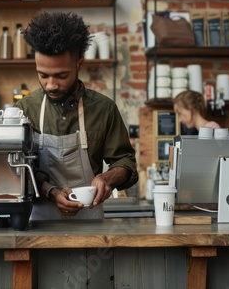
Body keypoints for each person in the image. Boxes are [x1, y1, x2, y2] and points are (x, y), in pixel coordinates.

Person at [15, 11, 138, 220]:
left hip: (90, 223)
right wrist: (50, 191)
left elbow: (125, 161)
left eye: (61, 75)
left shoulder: (103, 109)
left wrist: (106, 179)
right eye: (43, 75)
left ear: (79, 63)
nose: (51, 85)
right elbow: (15, 168)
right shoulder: (23, 111)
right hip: (38, 225)